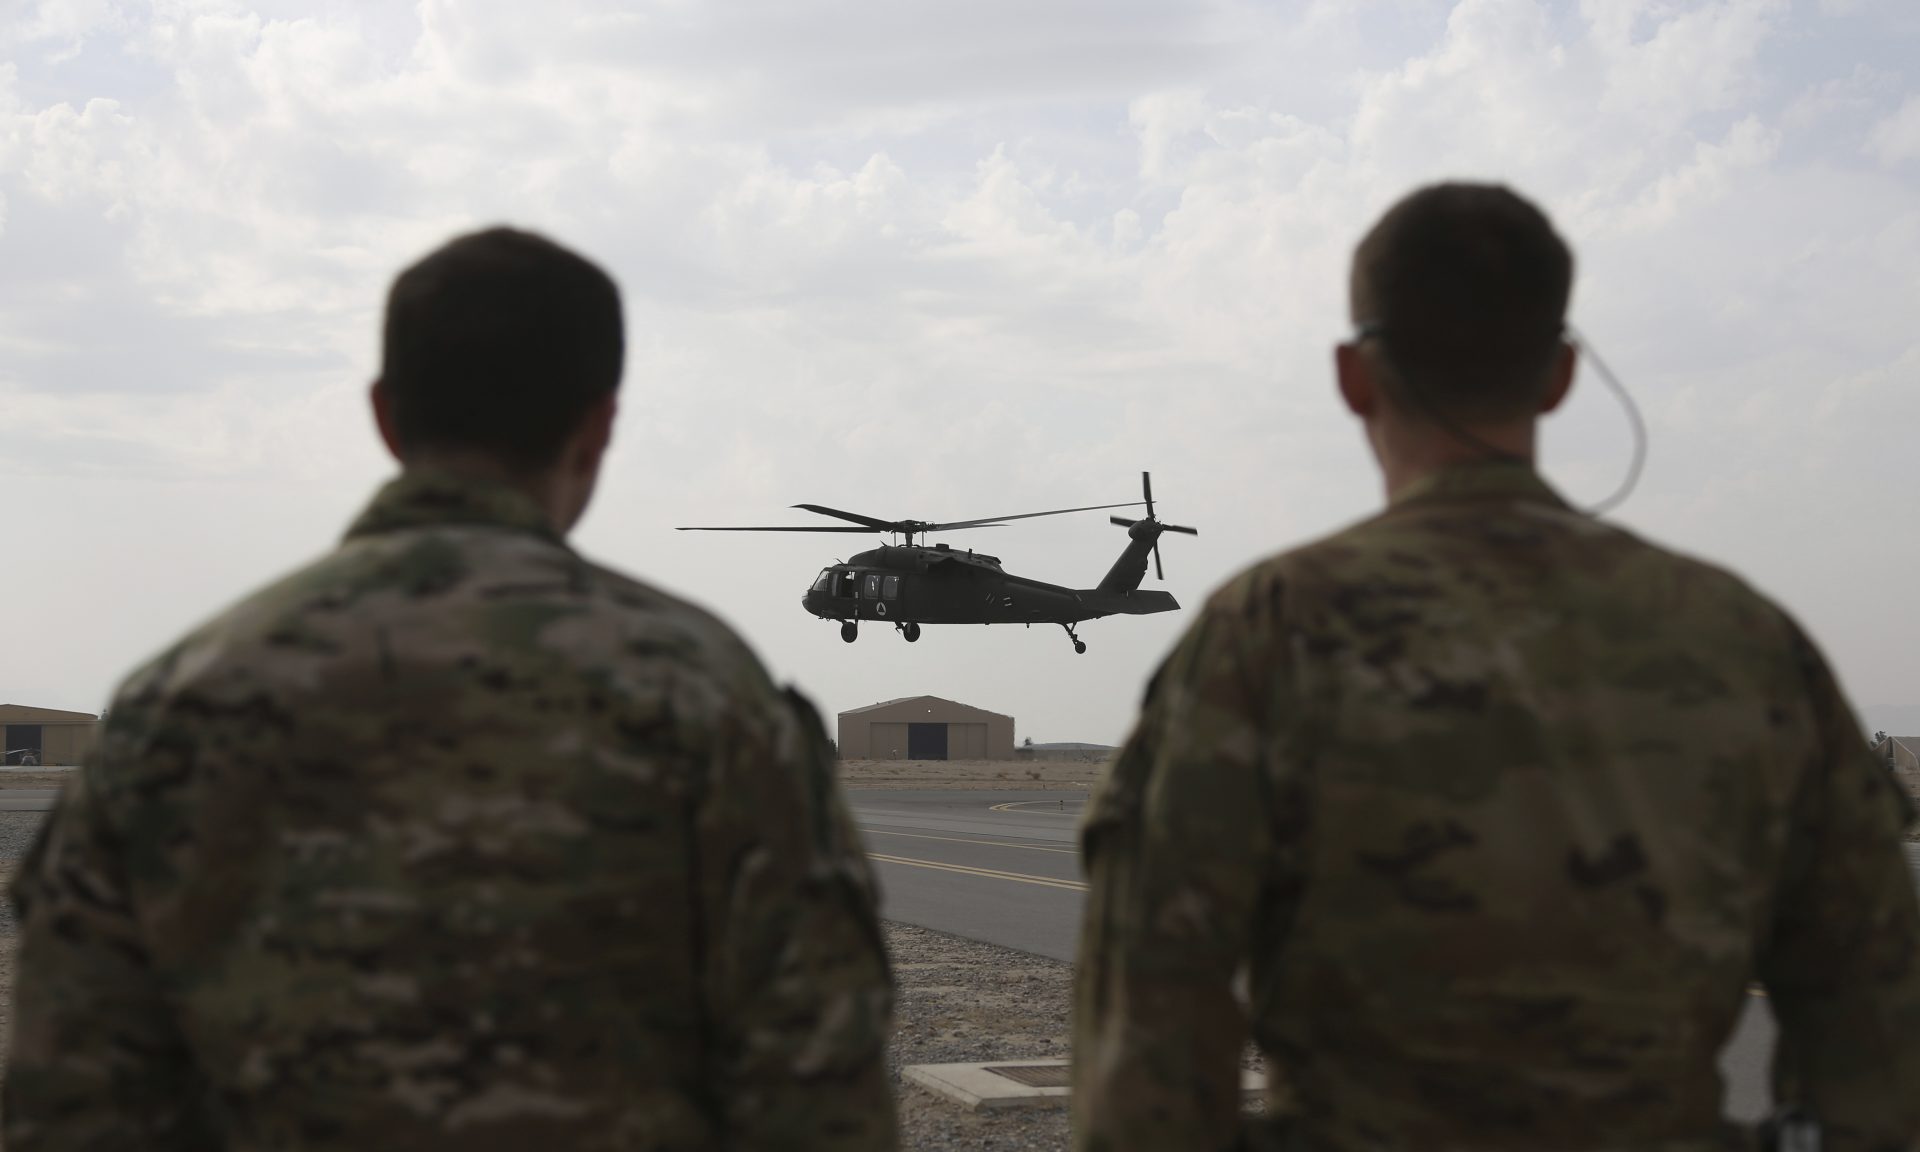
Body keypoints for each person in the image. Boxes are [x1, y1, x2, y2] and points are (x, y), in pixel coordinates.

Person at [6, 228, 897, 1150]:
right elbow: (819, 1092)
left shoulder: (173, 704)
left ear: (386, 417)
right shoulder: (709, 696)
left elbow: (70, 1098)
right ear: (598, 428)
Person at [1071, 184, 1920, 1151]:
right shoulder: (1744, 638)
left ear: (1354, 379)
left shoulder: (1263, 633)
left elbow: (1139, 1074)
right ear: (1559, 375)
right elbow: (1880, 1030)